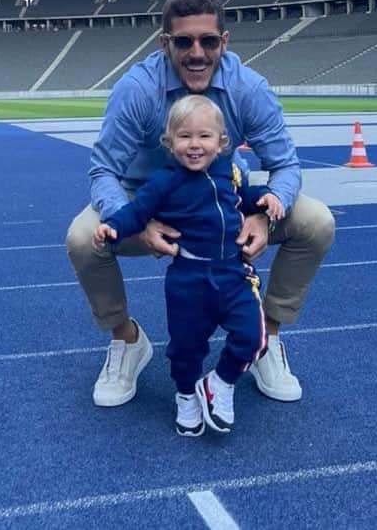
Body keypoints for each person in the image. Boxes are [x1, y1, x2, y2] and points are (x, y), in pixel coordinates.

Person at [67, 0, 336, 408]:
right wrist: (139, 219)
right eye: (184, 41)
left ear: (224, 42)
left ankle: (267, 336)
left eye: (208, 41)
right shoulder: (137, 90)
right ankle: (127, 339)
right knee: (83, 240)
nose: (196, 52)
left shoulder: (249, 89)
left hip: (223, 196)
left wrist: (264, 217)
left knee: (317, 222)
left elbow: (286, 165)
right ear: (164, 43)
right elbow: (103, 170)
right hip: (146, 197)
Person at [94, 95, 278, 435]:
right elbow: (137, 212)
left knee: (254, 338)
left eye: (204, 136)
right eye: (185, 136)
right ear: (169, 142)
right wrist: (113, 226)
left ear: (222, 143)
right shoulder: (164, 181)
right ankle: (185, 395)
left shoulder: (230, 171)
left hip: (234, 273)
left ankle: (220, 384)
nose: (195, 145)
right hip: (188, 278)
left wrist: (267, 197)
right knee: (185, 346)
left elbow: (242, 199)